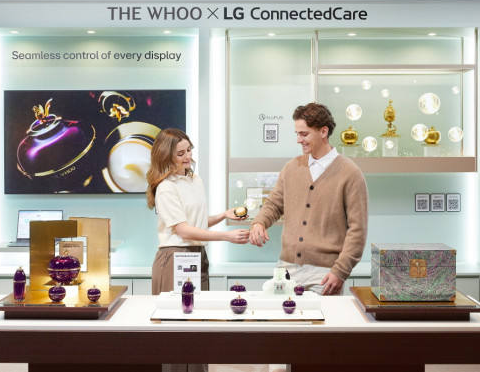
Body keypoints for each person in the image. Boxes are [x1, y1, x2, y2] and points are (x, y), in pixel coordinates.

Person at [249, 103, 368, 295]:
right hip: (286, 270)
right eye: (297, 134)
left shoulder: (350, 173)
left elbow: (357, 230)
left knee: (321, 316)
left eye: (304, 134)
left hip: (325, 275)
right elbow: (273, 204)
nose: (299, 140)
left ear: (323, 131)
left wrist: (340, 271)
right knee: (283, 315)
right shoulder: (291, 167)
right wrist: (259, 222)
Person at [146, 128, 250, 295]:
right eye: (180, 153)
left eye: (189, 150)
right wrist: (227, 236)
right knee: (175, 310)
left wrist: (224, 215)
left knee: (197, 309)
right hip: (175, 255)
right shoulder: (166, 187)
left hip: (198, 253)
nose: (188, 156)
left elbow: (196, 223)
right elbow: (183, 230)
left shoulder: (195, 180)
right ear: (166, 156)